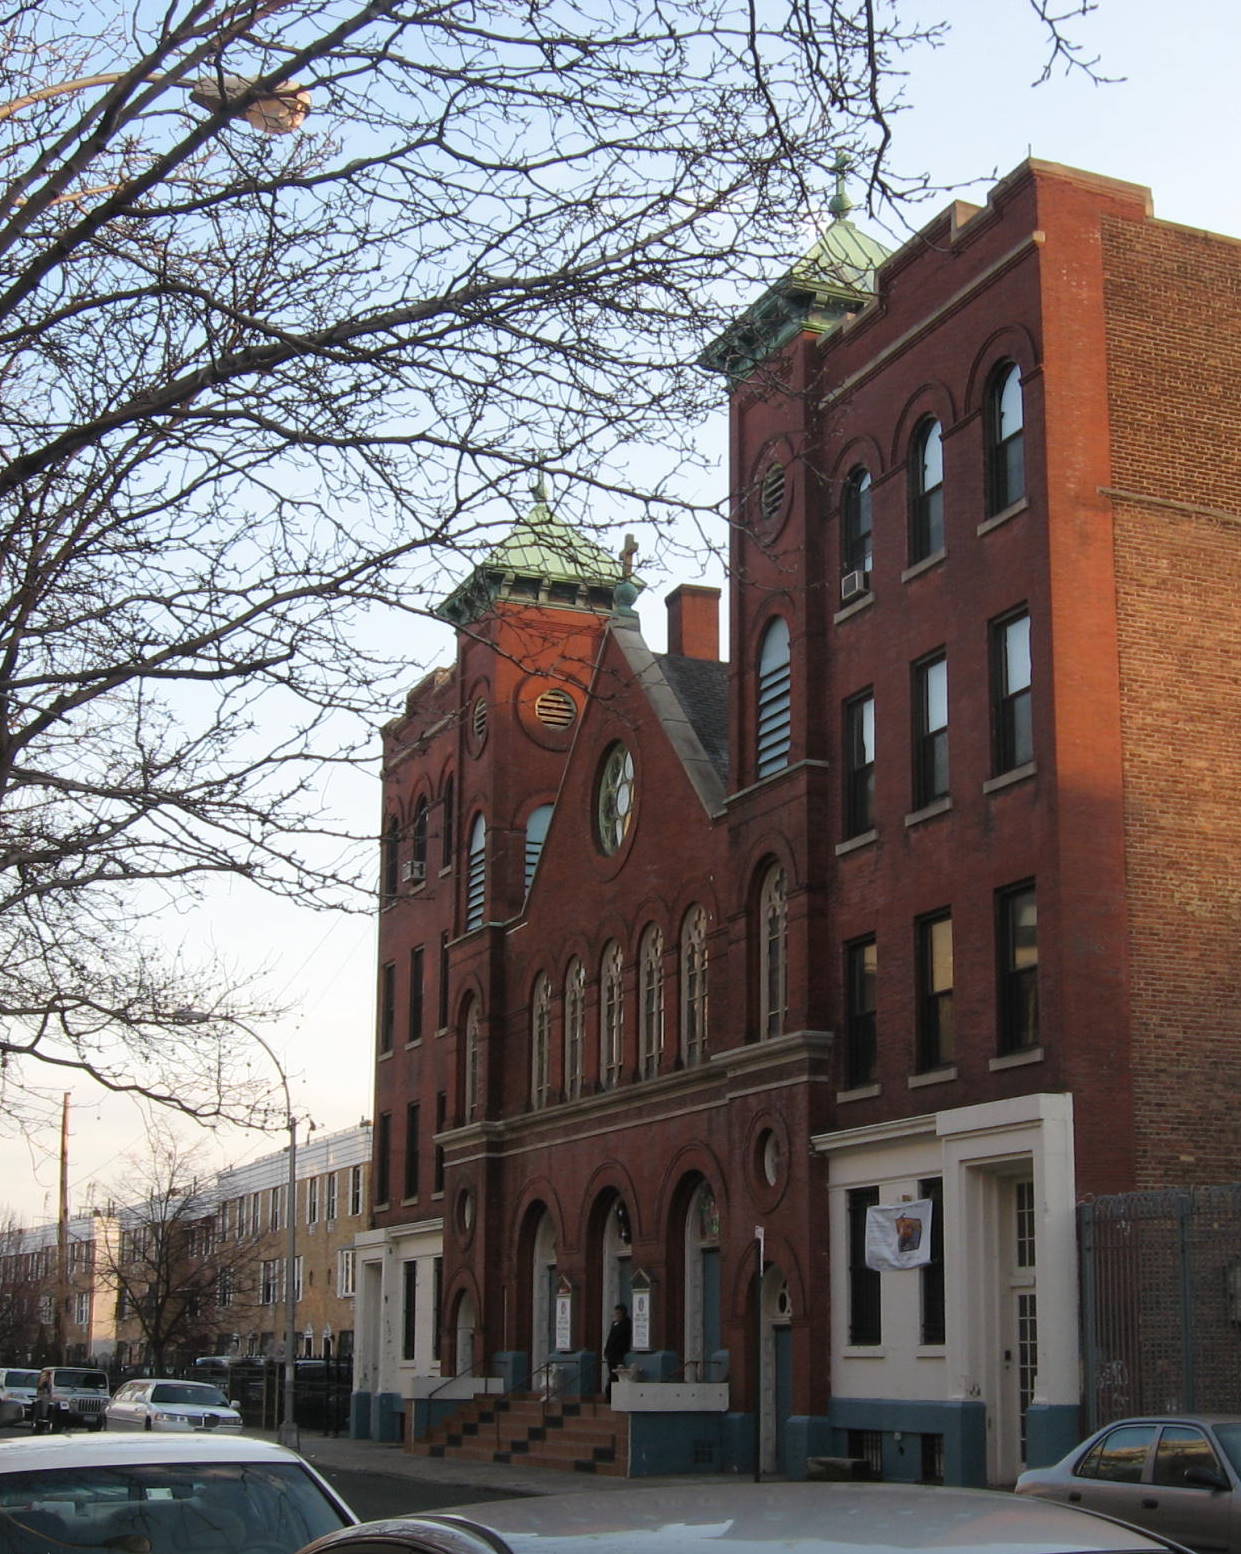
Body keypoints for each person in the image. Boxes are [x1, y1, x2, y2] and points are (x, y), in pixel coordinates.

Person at [603, 1303, 632, 1399]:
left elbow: (623, 1340)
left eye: (618, 1313)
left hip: (620, 1354)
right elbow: (610, 1338)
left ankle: (611, 1395)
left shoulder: (626, 1324)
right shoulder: (614, 1324)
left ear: (622, 1314)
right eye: (615, 1313)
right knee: (612, 1374)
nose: (616, 1315)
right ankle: (609, 1395)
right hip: (611, 1354)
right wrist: (606, 1351)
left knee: (616, 1376)